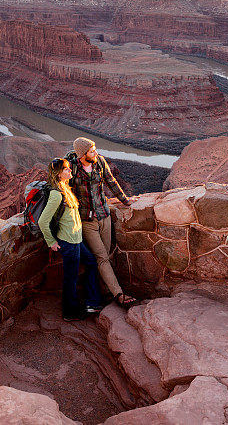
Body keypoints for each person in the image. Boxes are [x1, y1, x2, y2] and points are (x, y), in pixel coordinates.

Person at [66, 137, 138, 308]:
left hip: (104, 215)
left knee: (106, 255)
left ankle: (103, 293)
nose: (96, 153)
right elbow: (64, 190)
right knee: (102, 257)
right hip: (86, 220)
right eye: (92, 151)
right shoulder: (72, 168)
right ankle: (119, 294)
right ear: (83, 154)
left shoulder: (99, 162)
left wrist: (126, 201)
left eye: (95, 149)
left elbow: (111, 181)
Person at [38, 158, 102, 321]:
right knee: (70, 278)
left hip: (77, 240)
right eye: (66, 170)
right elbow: (43, 221)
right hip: (68, 242)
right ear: (59, 174)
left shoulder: (65, 188)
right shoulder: (56, 194)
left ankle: (92, 302)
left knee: (91, 263)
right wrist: (51, 242)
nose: (70, 171)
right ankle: (70, 312)